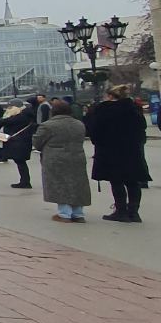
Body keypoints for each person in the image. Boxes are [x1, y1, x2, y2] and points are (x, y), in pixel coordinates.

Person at [85, 85, 151, 223]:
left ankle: (120, 211)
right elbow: (142, 129)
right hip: (132, 151)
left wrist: (98, 143)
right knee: (133, 181)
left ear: (110, 96)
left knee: (116, 181)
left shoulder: (104, 110)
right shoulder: (134, 109)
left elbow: (94, 130)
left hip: (110, 151)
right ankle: (134, 212)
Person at [33, 100, 91, 223]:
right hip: (77, 156)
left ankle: (64, 213)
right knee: (77, 184)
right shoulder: (79, 124)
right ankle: (78, 213)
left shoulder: (48, 125)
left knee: (60, 184)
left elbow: (37, 143)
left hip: (56, 158)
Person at [0, 103, 36, 189]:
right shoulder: (27, 116)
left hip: (18, 142)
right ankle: (24, 181)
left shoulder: (18, 117)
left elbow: (0, 122)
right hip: (23, 141)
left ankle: (25, 182)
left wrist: (6, 115)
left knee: (20, 162)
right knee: (21, 162)